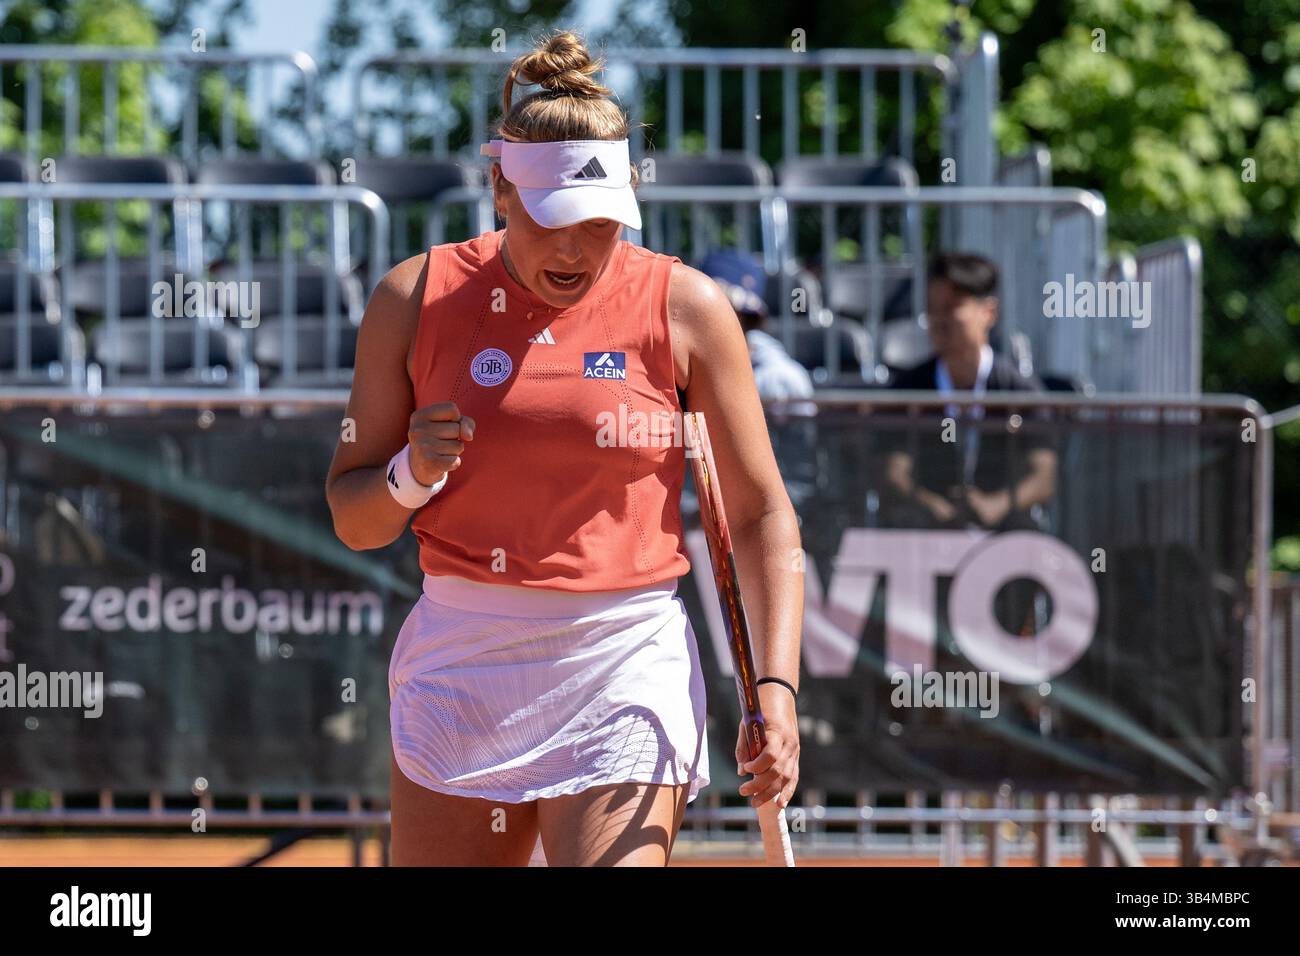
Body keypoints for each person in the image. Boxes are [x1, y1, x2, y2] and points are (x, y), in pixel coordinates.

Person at [325, 30, 802, 867]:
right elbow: (356, 521)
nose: (578, 249)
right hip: (461, 659)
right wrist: (409, 476)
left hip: (624, 660)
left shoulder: (687, 305)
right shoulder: (412, 297)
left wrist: (776, 689)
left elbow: (761, 513)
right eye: (554, 221)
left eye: (603, 221)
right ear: (500, 187)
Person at [886, 252, 1057, 531]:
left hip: (1005, 535)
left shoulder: (1020, 392)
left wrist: (997, 505)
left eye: (952, 306)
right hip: (926, 536)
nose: (939, 320)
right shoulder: (907, 389)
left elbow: (1044, 476)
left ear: (988, 312)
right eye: (933, 308)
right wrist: (934, 506)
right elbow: (892, 472)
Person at [696, 249, 814, 402]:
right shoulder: (679, 372)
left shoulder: (781, 379)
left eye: (734, 311)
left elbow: (799, 426)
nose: (717, 322)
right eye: (707, 312)